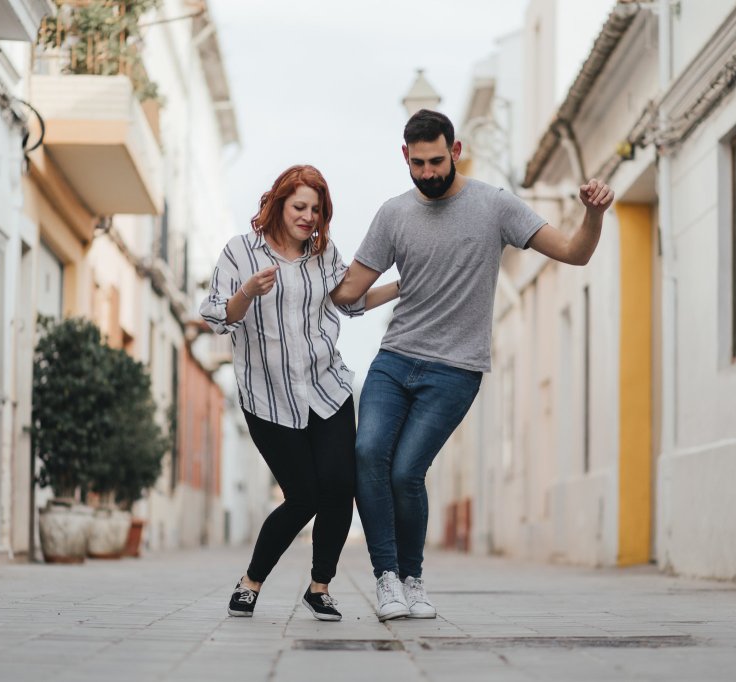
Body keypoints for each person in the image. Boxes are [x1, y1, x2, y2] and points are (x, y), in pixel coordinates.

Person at [331, 109, 614, 621]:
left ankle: (413, 580)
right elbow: (346, 292)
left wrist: (593, 214)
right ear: (405, 157)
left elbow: (575, 253)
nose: (427, 173)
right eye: (417, 163)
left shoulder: (495, 206)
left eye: (436, 161)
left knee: (406, 472)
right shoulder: (393, 214)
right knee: (368, 453)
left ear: (455, 151)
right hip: (395, 359)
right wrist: (309, 254)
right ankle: (387, 580)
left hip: (455, 370)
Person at [200, 164, 400, 622]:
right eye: (300, 207)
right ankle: (250, 582)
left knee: (339, 486)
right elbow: (217, 316)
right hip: (267, 397)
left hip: (327, 387)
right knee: (303, 495)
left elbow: (352, 300)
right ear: (278, 203)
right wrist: (248, 291)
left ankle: (320, 587)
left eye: (316, 209)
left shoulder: (325, 256)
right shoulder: (240, 253)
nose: (308, 217)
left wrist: (403, 286)